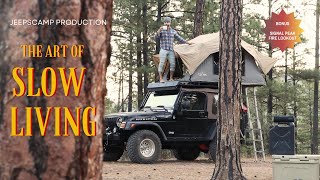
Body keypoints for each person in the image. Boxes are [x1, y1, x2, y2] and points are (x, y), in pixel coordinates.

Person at [155, 17, 192, 82]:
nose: (167, 23)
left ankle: (171, 78)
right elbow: (156, 38)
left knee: (172, 63)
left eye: (168, 22)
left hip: (170, 49)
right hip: (163, 49)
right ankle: (161, 78)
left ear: (170, 23)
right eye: (166, 22)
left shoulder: (173, 31)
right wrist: (159, 31)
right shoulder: (162, 31)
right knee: (162, 63)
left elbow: (179, 38)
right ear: (164, 23)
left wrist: (187, 42)